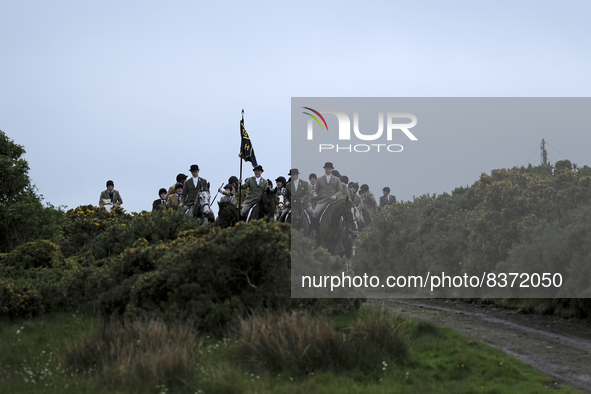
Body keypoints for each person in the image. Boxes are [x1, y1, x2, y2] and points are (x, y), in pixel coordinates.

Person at [311, 162, 343, 237]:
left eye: (329, 169)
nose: (328, 170)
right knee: (315, 212)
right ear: (324, 169)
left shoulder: (337, 179)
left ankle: (346, 230)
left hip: (334, 201)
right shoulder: (319, 179)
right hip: (323, 200)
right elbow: (315, 190)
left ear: (332, 170)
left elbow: (340, 191)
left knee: (342, 213)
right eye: (326, 169)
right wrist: (314, 194)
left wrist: (335, 195)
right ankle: (315, 230)